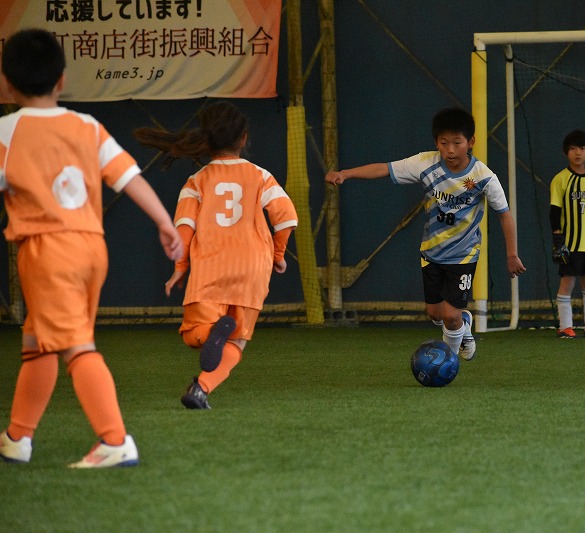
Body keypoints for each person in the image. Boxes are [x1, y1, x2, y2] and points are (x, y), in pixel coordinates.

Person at [0, 29, 183, 467]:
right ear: (62, 80)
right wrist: (164, 221)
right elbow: (128, 176)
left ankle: (115, 440)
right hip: (91, 249)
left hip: (47, 253)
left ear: (6, 83)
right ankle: (16, 438)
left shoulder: (6, 131)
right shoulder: (87, 126)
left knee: (76, 347)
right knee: (39, 342)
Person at [325, 107, 525, 360]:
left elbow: (505, 215)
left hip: (463, 255)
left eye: (457, 143)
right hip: (431, 253)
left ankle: (447, 360)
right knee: (435, 314)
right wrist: (345, 174)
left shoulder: (484, 177)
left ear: (471, 142)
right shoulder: (425, 164)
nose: (450, 150)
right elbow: (385, 169)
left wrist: (512, 255)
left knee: (449, 315)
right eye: (443, 143)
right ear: (436, 142)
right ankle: (463, 325)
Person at [135, 101, 298, 408]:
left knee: (193, 335)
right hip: (253, 265)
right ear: (244, 139)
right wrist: (278, 255)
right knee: (237, 340)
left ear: (207, 141)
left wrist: (180, 267)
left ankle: (211, 332)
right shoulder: (261, 175)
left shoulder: (197, 181)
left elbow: (184, 227)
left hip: (211, 265)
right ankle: (200, 390)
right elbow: (286, 217)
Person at [549, 130, 585, 339]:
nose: (578, 153)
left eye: (582, 148)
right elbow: (554, 212)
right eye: (573, 148)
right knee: (567, 284)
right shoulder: (560, 179)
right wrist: (558, 241)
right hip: (570, 244)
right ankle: (565, 326)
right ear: (566, 152)